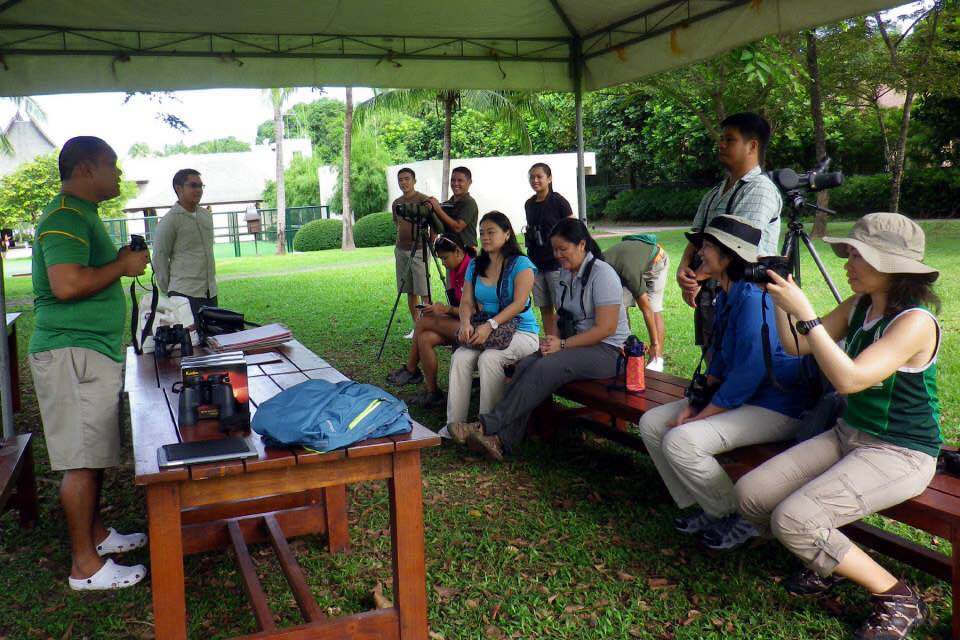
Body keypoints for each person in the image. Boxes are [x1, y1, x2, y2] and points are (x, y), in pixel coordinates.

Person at [735, 213, 941, 640]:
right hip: (849, 435)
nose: (847, 260)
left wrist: (807, 315)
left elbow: (849, 378)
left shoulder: (915, 322)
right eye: (848, 251)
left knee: (794, 520)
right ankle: (830, 562)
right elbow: (796, 345)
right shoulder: (860, 304)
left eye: (857, 254)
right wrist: (779, 299)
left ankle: (897, 596)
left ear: (890, 265)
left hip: (901, 451)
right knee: (751, 495)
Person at [638, 214, 807, 551]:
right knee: (652, 423)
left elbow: (750, 373)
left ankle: (742, 516)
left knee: (682, 440)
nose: (700, 251)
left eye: (709, 246)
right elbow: (721, 364)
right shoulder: (727, 293)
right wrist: (695, 403)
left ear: (729, 256)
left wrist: (701, 416)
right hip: (743, 397)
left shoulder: (751, 297)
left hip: (775, 404)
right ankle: (708, 506)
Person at [29, 136, 150, 590]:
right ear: (85, 170)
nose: (117, 174)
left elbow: (83, 273)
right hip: (70, 352)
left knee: (92, 450)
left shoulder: (81, 216)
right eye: (112, 165)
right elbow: (65, 284)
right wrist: (120, 268)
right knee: (79, 459)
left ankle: (96, 536)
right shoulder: (63, 217)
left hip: (86, 350)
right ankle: (84, 566)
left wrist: (119, 261)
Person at [449, 219, 630, 460]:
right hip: (577, 346)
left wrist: (562, 345)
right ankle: (500, 441)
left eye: (563, 249)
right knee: (526, 364)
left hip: (609, 352)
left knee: (545, 366)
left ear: (582, 245)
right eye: (555, 250)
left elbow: (606, 329)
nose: (557, 255)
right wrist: (552, 340)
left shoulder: (602, 274)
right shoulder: (567, 272)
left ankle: (484, 426)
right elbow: (561, 315)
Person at [675, 112, 783, 352]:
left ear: (752, 146)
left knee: (742, 359)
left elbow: (737, 246)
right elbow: (697, 238)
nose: (721, 145)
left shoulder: (760, 190)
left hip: (748, 294)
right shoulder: (714, 192)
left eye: (730, 139)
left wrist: (696, 278)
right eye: (721, 139)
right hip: (713, 293)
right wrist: (684, 270)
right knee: (714, 362)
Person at [445, 212, 539, 434]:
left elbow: (518, 304)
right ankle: (453, 425)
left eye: (490, 232)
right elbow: (466, 301)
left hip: (522, 332)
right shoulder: (476, 264)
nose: (484, 237)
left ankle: (486, 428)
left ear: (507, 234)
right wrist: (466, 323)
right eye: (481, 233)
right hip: (487, 331)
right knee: (460, 357)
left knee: (490, 359)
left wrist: (490, 325)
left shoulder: (521, 264)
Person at [387, 233, 475, 408]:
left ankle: (411, 369)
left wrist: (445, 310)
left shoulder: (471, 268)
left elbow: (473, 311)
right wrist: (440, 310)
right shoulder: (454, 269)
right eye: (440, 258)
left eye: (445, 258)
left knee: (424, 321)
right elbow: (456, 305)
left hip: (473, 324)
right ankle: (433, 392)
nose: (442, 263)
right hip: (459, 320)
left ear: (458, 252)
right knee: (424, 338)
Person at [152, 168, 217, 326]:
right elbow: (159, 259)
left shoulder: (206, 216)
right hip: (184, 294)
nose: (199, 190)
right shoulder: (169, 221)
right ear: (178, 188)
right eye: (193, 185)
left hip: (210, 292)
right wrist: (171, 291)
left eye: (201, 186)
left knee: (212, 339)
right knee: (189, 343)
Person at [603, 235, 670, 371]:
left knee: (653, 308)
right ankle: (626, 350)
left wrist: (653, 343)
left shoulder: (628, 272)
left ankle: (656, 361)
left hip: (656, 261)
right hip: (628, 266)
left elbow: (646, 309)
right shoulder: (600, 269)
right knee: (619, 307)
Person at [523, 162, 573, 336]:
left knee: (561, 306)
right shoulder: (529, 204)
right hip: (536, 264)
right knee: (544, 306)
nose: (535, 180)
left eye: (539, 176)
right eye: (532, 177)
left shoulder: (558, 201)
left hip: (556, 264)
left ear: (549, 178)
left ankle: (565, 339)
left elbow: (572, 227)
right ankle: (550, 339)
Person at [391, 167, 437, 337]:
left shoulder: (423, 199)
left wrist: (430, 242)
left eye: (406, 179)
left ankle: (430, 326)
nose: (403, 182)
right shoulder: (396, 203)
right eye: (400, 180)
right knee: (409, 290)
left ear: (414, 180)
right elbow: (398, 224)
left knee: (424, 290)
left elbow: (434, 224)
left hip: (419, 250)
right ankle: (417, 326)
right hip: (401, 250)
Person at [436, 166, 479, 250]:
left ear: (469, 182)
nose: (455, 183)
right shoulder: (446, 204)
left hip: (466, 252)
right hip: (448, 251)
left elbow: (458, 227)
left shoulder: (469, 202)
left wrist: (437, 209)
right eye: (453, 180)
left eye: (460, 180)